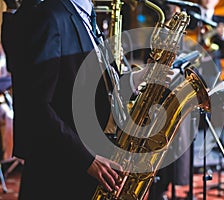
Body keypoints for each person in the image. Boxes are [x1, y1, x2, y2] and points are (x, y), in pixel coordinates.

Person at [1, 0, 150, 199]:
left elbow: (87, 84)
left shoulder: (84, 15)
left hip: (87, 165)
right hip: (60, 175)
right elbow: (35, 107)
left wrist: (135, 80)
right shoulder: (49, 17)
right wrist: (87, 160)